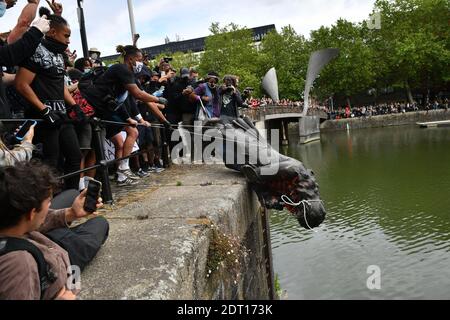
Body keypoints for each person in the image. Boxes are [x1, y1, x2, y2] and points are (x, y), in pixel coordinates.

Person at [0, 161, 109, 300]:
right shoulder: (19, 264)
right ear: (32, 213)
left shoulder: (12, 218)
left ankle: (65, 227)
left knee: (72, 194)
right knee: (100, 223)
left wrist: (71, 213)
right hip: (61, 261)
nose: (50, 204)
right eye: (48, 202)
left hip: (38, 238)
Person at [79, 45, 170, 185]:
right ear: (131, 58)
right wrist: (158, 99)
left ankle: (92, 183)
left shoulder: (128, 75)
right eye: (139, 59)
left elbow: (122, 101)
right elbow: (138, 94)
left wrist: (131, 118)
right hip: (91, 107)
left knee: (95, 150)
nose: (141, 63)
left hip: (103, 110)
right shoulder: (121, 69)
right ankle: (117, 171)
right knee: (87, 150)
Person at [15, 11, 83, 191]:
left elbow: (59, 84)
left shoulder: (60, 56)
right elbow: (21, 84)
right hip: (43, 118)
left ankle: (70, 200)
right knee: (50, 163)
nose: (68, 41)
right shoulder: (35, 50)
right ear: (52, 32)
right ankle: (47, 210)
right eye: (66, 35)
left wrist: (75, 106)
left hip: (61, 115)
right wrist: (44, 110)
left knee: (75, 156)